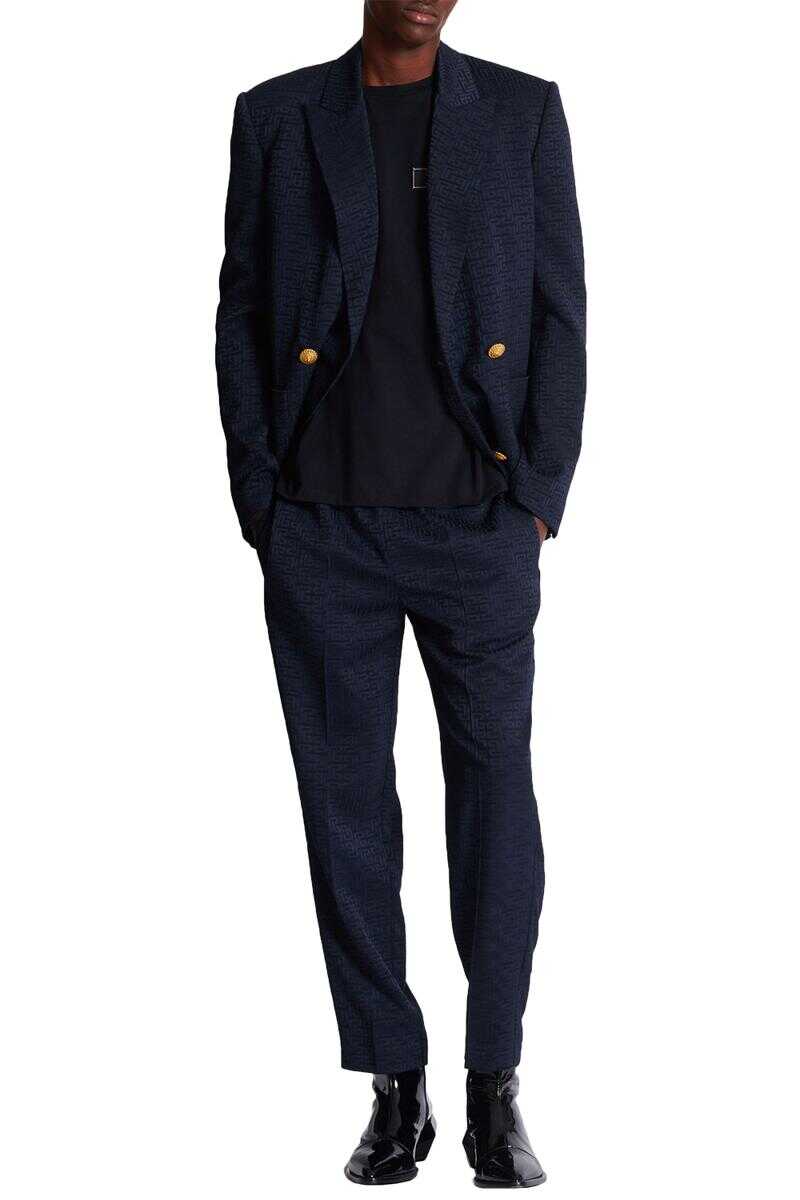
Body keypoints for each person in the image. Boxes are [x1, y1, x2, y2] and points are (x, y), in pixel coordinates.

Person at [215, 0, 585, 1186]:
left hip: (477, 527)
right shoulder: (276, 119)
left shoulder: (521, 114)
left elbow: (559, 313)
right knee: (346, 816)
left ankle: (493, 1084)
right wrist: (262, 499)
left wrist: (535, 497)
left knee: (495, 803)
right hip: (321, 529)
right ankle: (392, 1082)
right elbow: (241, 311)